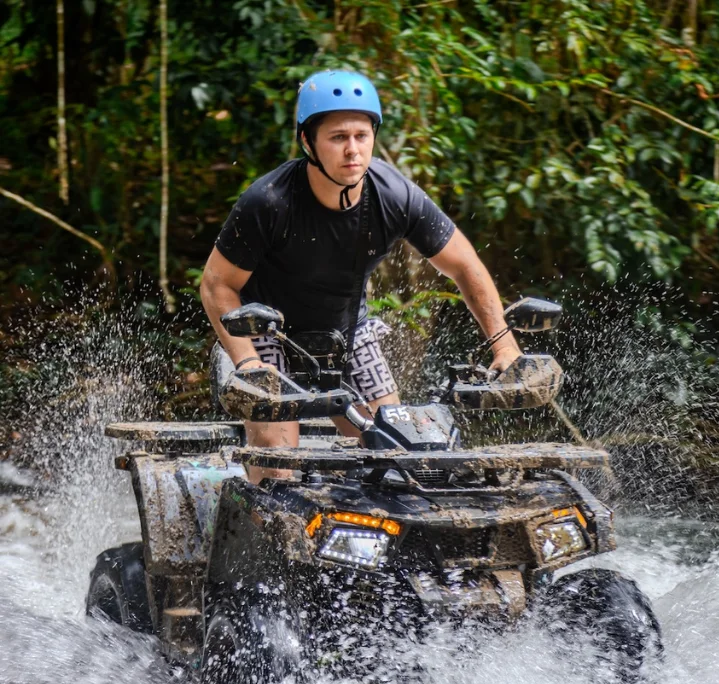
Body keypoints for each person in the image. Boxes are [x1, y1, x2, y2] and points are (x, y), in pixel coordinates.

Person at [199, 70, 521, 474]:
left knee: (398, 451)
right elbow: (216, 285)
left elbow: (464, 265)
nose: (352, 150)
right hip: (265, 337)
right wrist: (246, 362)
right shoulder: (267, 202)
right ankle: (271, 533)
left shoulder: (394, 195)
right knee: (279, 457)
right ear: (307, 142)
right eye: (338, 138)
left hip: (345, 334)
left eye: (361, 136)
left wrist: (503, 344)